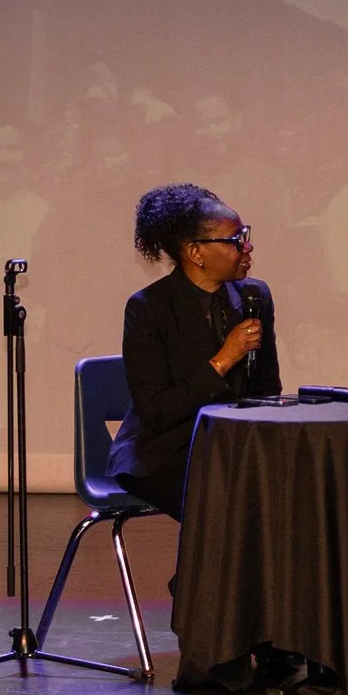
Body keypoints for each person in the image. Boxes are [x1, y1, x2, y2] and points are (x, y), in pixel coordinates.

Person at [108, 182, 280, 520]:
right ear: (195, 253)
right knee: (224, 498)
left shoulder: (254, 297)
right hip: (164, 450)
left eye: (245, 234)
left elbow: (266, 389)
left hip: (230, 444)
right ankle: (198, 576)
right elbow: (156, 412)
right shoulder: (149, 308)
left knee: (289, 485)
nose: (247, 246)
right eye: (234, 240)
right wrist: (222, 360)